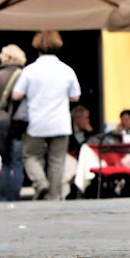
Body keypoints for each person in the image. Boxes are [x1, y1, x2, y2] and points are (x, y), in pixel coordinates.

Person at [12, 30, 81, 201]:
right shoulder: (67, 70)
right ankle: (55, 196)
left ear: (37, 47)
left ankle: (40, 182)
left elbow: (16, 95)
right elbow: (75, 96)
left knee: (31, 156)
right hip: (60, 122)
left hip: (36, 122)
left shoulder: (30, 70)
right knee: (57, 160)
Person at [0, 44, 27, 201]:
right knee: (17, 161)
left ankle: (3, 197)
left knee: (5, 161)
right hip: (19, 121)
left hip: (1, 120)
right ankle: (15, 196)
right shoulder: (25, 75)